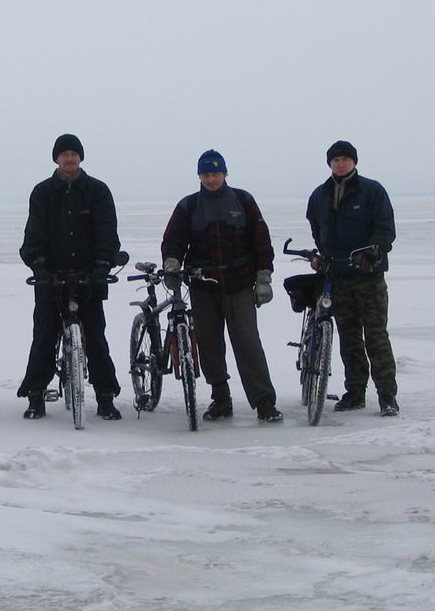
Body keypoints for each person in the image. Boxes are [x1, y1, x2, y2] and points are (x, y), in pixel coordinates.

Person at [161, 149, 282, 423]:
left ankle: (264, 402)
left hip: (239, 285)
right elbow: (173, 240)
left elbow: (261, 241)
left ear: (225, 174)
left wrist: (263, 277)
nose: (211, 179)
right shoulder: (188, 206)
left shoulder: (243, 200)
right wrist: (171, 263)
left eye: (215, 173)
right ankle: (221, 398)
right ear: (199, 176)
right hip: (203, 286)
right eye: (206, 174)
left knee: (248, 343)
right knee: (209, 344)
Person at [18, 134, 124, 421]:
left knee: (96, 339)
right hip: (51, 280)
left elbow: (107, 231)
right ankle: (35, 395)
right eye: (64, 154)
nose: (69, 158)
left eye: (73, 154)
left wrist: (103, 264)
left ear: (80, 157)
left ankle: (105, 397)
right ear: (56, 158)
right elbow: (34, 233)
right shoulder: (42, 192)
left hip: (89, 278)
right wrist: (39, 265)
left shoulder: (97, 191)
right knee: (44, 336)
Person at [306, 140, 399, 416]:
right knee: (349, 338)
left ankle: (387, 396)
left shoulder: (372, 191)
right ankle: (355, 392)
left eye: (345, 159)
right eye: (336, 160)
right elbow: (316, 227)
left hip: (368, 276)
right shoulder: (320, 195)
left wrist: (373, 251)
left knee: (376, 336)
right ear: (329, 163)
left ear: (354, 162)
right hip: (338, 277)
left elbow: (386, 229)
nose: (341, 164)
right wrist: (323, 255)